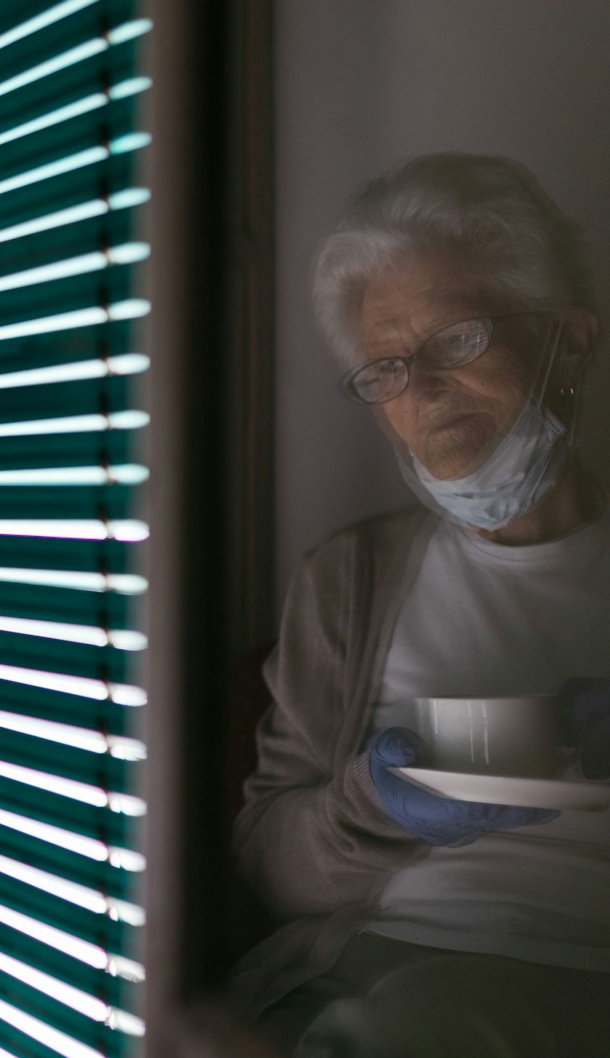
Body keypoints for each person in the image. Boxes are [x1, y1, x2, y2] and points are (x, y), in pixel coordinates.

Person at [232, 153, 610, 1057]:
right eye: (386, 367)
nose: (422, 390)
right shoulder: (349, 578)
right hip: (363, 971)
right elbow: (270, 866)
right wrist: (378, 803)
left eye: (456, 339)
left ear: (568, 340)